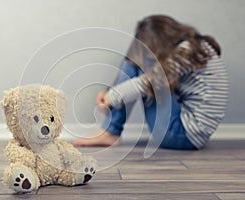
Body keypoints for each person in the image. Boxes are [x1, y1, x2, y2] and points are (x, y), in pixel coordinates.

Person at [73, 15, 229, 150]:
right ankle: (110, 130)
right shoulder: (196, 46)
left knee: (139, 62)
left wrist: (111, 96)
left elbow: (148, 83)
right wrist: (111, 92)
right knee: (141, 63)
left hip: (181, 134)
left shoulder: (185, 52)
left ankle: (110, 131)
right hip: (193, 135)